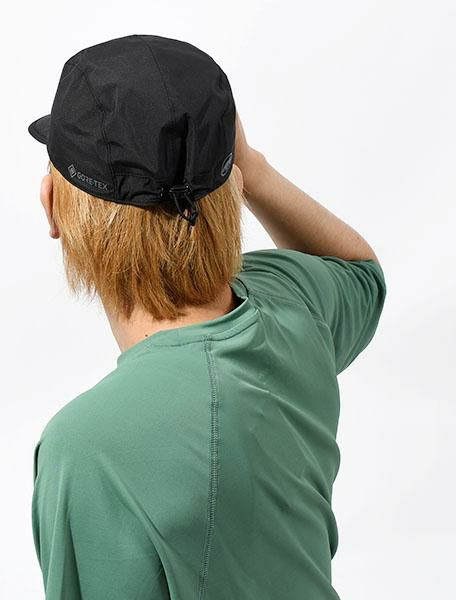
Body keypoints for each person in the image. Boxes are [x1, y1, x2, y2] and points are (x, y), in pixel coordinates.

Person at [28, 34, 387, 600]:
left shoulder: (87, 445)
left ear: (54, 209)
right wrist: (256, 169)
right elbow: (360, 273)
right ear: (231, 184)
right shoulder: (295, 306)